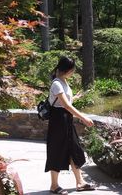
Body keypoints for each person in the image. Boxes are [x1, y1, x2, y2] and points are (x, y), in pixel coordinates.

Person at [45, 56, 96, 194]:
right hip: (58, 120)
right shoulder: (56, 83)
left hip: (66, 120)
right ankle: (54, 186)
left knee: (74, 149)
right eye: (72, 70)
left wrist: (76, 97)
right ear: (66, 70)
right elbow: (66, 106)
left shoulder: (64, 82)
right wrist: (83, 117)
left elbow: (66, 101)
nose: (73, 72)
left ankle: (80, 182)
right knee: (56, 150)